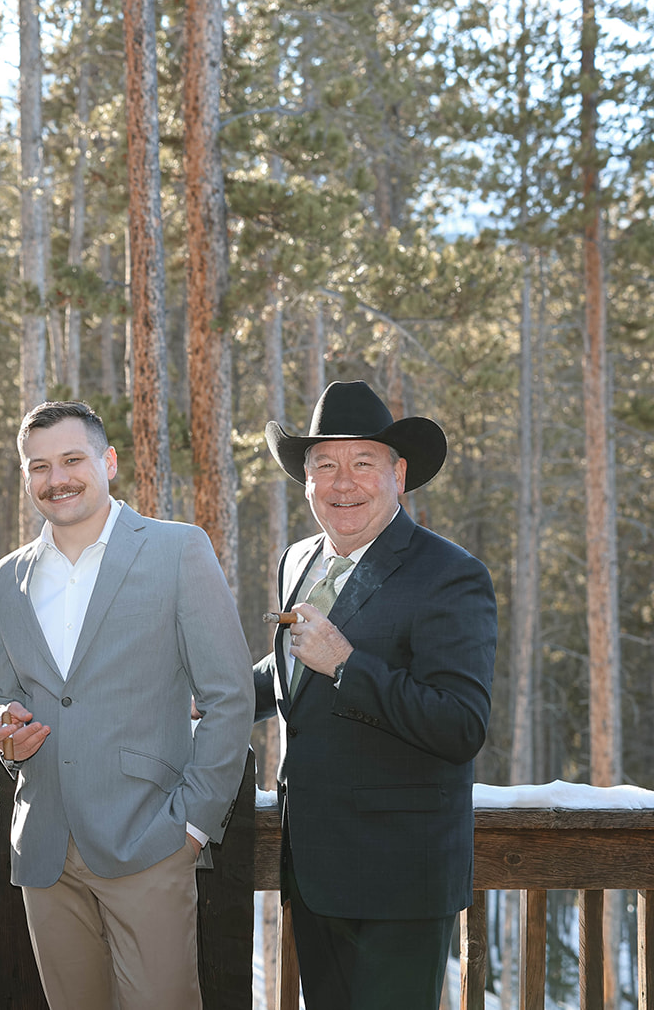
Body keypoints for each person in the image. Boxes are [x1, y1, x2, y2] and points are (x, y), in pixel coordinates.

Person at [0, 400, 254, 1009]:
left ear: (108, 462)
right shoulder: (7, 576)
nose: (57, 479)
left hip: (150, 840)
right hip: (46, 845)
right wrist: (0, 724)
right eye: (39, 466)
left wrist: (192, 824)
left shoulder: (178, 550)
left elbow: (229, 696)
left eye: (72, 459)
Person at [255, 380, 495, 1009]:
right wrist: (205, 695)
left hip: (400, 880)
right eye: (324, 466)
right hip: (312, 868)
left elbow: (461, 724)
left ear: (399, 473)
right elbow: (292, 670)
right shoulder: (297, 560)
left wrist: (347, 665)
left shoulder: (449, 574)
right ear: (305, 479)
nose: (343, 483)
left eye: (363, 463)